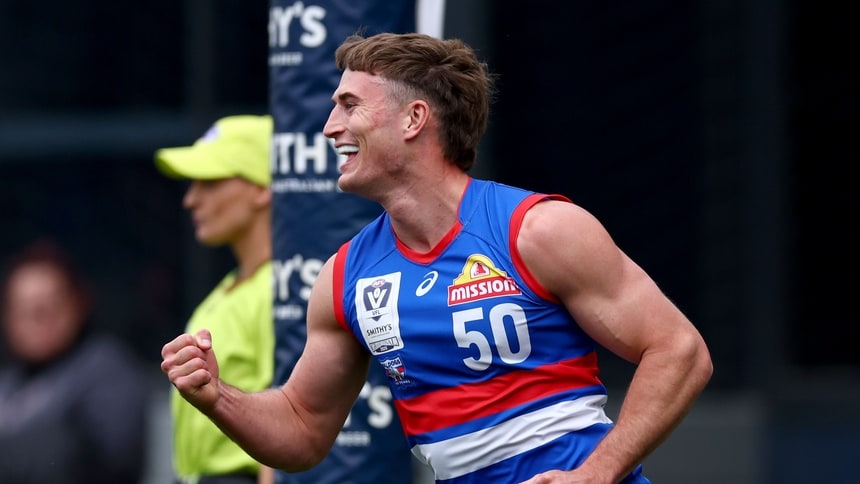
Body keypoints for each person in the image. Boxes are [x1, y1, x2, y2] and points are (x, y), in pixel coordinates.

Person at [161, 32, 713, 483]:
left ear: (413, 119)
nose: (329, 127)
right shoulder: (345, 276)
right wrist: (217, 397)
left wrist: (597, 475)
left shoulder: (537, 229)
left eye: (349, 106)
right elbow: (303, 430)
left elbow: (680, 350)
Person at [155, 114, 276, 484]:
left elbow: (289, 413)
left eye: (210, 182)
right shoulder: (227, 289)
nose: (191, 199)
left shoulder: (286, 289)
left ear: (261, 188)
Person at [0, 238, 149, 484]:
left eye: (49, 306)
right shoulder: (9, 382)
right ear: (8, 319)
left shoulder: (106, 369)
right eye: (25, 309)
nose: (38, 320)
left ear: (78, 303)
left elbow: (114, 462)